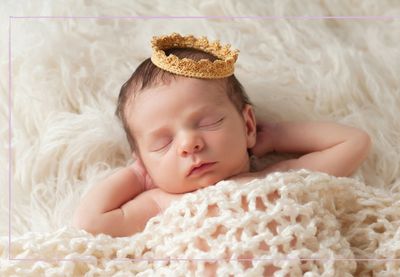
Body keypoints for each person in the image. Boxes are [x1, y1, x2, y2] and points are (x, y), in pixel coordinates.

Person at [72, 33, 372, 237]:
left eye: (207, 122)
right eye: (163, 143)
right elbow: (90, 223)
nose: (190, 143)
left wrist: (277, 136)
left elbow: (354, 143)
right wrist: (137, 176)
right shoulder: (159, 203)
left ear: (248, 126)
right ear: (142, 160)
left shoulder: (277, 178)